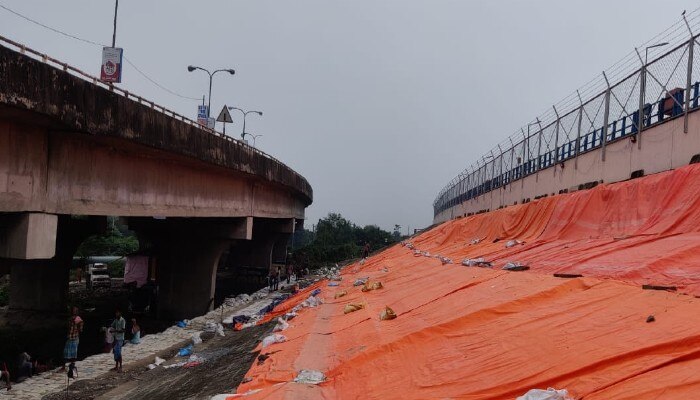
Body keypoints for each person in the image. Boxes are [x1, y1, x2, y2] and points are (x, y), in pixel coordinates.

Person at [110, 308, 126, 372]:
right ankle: (116, 366)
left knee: (118, 352)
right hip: (116, 338)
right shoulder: (116, 320)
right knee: (115, 352)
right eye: (116, 313)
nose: (116, 314)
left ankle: (121, 367)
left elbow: (123, 330)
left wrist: (115, 330)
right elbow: (112, 326)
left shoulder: (123, 320)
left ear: (120, 313)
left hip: (120, 338)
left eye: (118, 313)